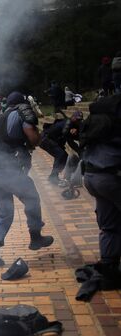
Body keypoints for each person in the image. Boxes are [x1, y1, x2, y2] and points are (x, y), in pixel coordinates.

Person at [0, 92, 54, 267]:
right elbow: (33, 137)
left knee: (4, 213)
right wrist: (36, 137)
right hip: (8, 169)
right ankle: (35, 237)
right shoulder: (22, 113)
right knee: (32, 197)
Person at [78, 94, 121, 298]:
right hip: (111, 177)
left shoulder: (97, 123)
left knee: (109, 225)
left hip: (92, 176)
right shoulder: (115, 124)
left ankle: (109, 273)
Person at [40, 111, 83, 185]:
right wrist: (80, 151)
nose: (78, 121)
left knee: (64, 157)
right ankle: (53, 177)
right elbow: (70, 141)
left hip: (52, 140)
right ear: (72, 117)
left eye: (80, 120)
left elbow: (74, 137)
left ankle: (54, 176)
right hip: (45, 139)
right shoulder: (68, 124)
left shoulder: (74, 124)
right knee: (60, 155)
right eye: (77, 119)